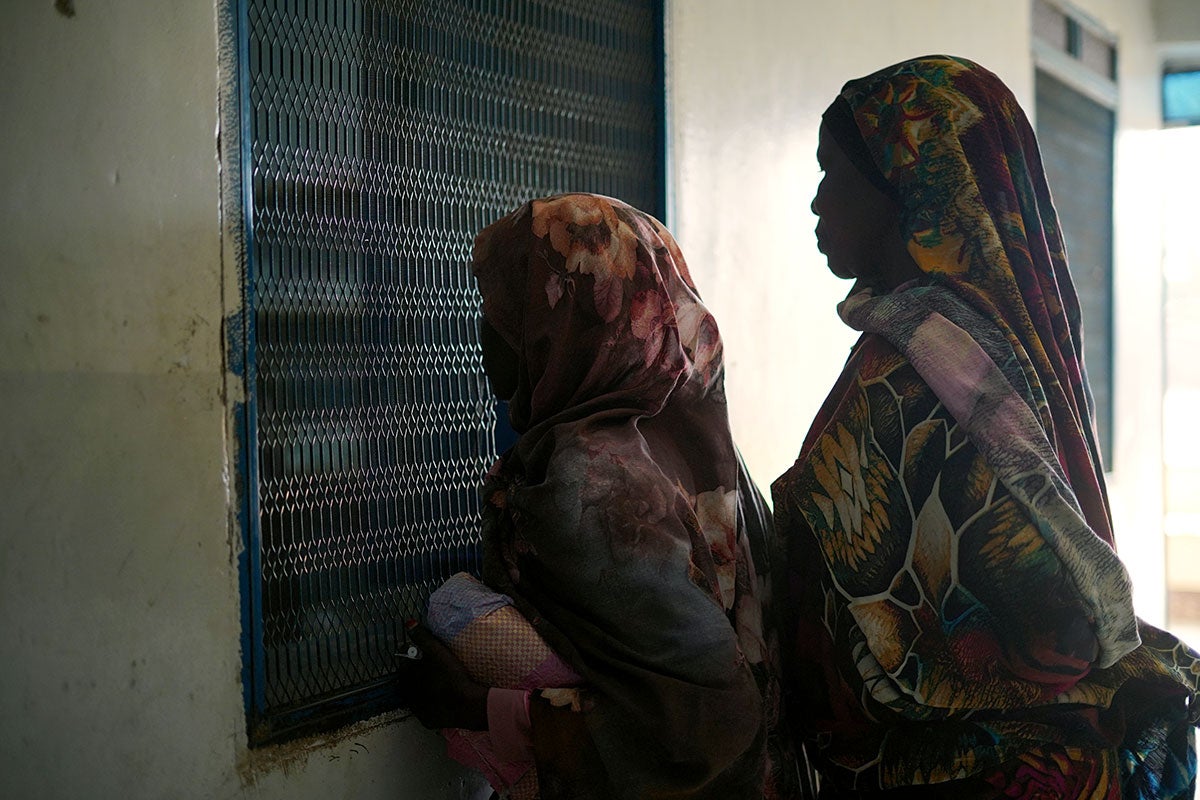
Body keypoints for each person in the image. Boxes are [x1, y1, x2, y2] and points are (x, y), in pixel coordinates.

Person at [772, 55, 1200, 798]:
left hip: (966, 773)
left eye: (832, 172)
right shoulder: (1008, 348)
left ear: (907, 185)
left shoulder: (911, 375)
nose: (815, 202)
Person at [398, 193, 816, 798]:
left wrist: (472, 705)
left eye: (508, 306)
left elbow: (702, 730)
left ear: (570, 320)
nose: (485, 330)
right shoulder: (705, 455)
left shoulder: (592, 484)